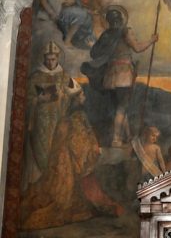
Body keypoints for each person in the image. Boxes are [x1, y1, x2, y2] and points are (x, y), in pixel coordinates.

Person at [21, 89, 124, 230]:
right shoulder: (76, 118)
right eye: (82, 94)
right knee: (68, 200)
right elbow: (78, 142)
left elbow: (81, 138)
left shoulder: (67, 118)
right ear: (75, 99)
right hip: (69, 161)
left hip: (64, 160)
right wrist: (92, 148)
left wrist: (91, 145)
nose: (85, 96)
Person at [81, 5, 158, 147]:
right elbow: (137, 48)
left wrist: (93, 44)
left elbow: (94, 53)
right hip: (124, 74)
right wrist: (151, 40)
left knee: (120, 107)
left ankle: (128, 137)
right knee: (122, 107)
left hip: (110, 76)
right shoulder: (125, 31)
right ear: (121, 19)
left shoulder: (106, 35)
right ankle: (116, 139)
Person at [22, 41, 81, 190]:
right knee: (41, 153)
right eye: (48, 59)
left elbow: (77, 94)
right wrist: (38, 99)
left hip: (58, 121)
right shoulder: (35, 76)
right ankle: (41, 185)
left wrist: (72, 96)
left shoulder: (64, 76)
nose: (50, 62)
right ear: (43, 59)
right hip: (40, 122)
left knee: (57, 153)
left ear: (58, 58)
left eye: (53, 59)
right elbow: (25, 100)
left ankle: (54, 187)